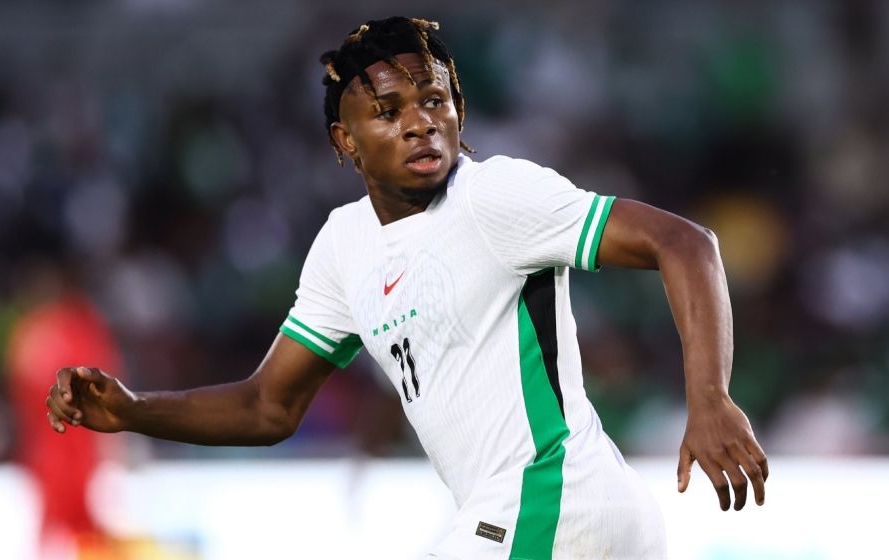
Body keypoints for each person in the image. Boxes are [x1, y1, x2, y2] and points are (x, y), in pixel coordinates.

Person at [46, 16, 768, 559]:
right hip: (538, 517)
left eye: (434, 100)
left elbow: (685, 243)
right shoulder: (344, 246)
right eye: (389, 111)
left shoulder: (493, 196)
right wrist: (133, 410)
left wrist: (709, 398)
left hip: (555, 500)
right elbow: (268, 404)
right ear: (345, 141)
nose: (421, 123)